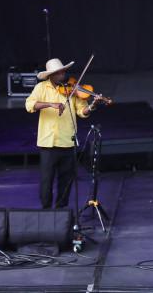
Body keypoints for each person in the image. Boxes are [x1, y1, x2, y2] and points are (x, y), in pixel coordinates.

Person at [25, 58, 99, 208]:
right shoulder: (41, 88)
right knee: (46, 181)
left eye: (63, 71)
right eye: (59, 73)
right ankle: (46, 211)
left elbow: (82, 111)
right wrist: (50, 104)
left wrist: (91, 106)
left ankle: (61, 211)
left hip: (67, 141)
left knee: (66, 181)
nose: (63, 75)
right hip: (48, 143)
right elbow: (29, 105)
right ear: (51, 75)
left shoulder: (72, 88)